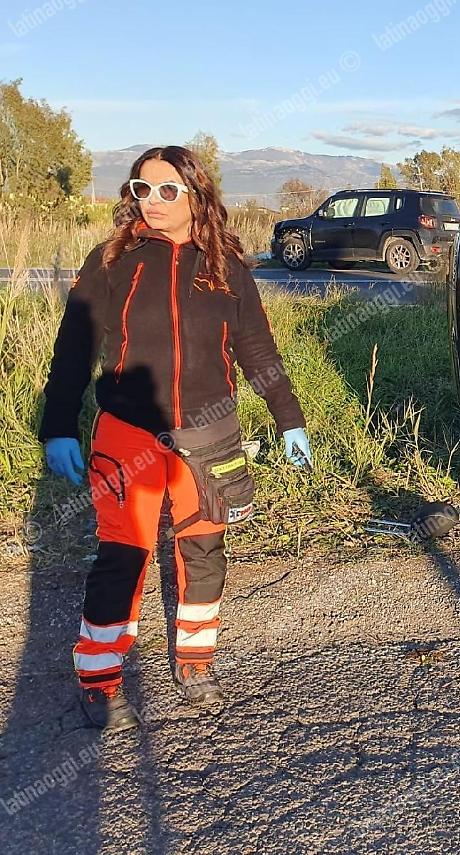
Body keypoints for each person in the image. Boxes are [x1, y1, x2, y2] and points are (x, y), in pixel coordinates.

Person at [39, 145, 311, 733]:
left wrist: (289, 418)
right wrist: (57, 425)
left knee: (204, 552)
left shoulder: (227, 264)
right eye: (142, 189)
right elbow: (74, 350)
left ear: (196, 195)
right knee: (123, 556)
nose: (153, 201)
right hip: (127, 433)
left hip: (211, 436)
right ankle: (99, 676)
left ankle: (194, 662)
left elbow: (256, 350)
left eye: (167, 190)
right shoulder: (113, 259)